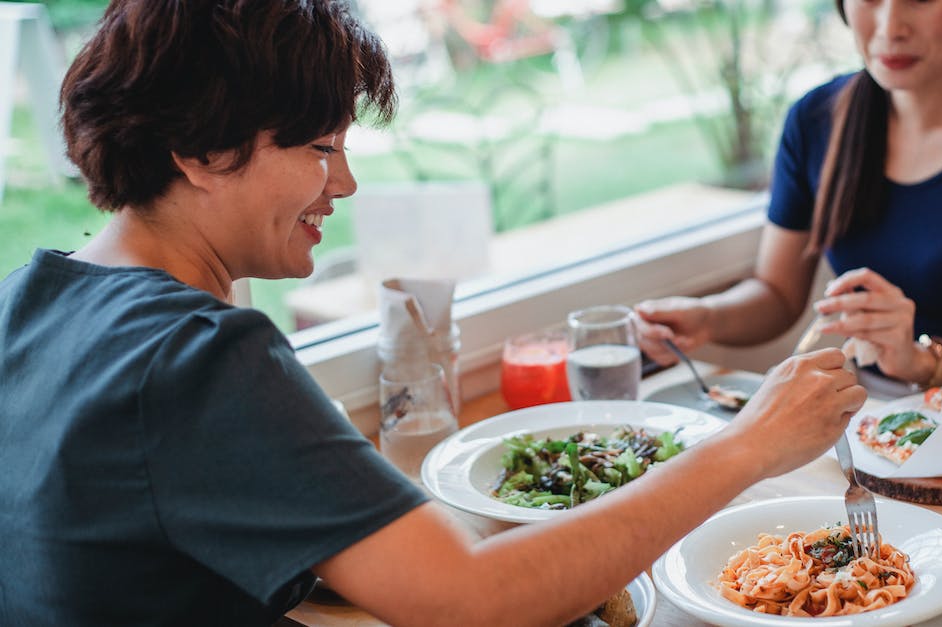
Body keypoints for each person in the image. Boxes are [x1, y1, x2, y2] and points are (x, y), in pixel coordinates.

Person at [0, 1, 866, 625]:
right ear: (197, 150)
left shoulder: (28, 300)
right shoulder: (200, 355)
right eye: (321, 148)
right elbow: (474, 601)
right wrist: (749, 443)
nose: (343, 183)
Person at [637, 0, 942, 399]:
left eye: (918, 0)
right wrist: (704, 318)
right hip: (862, 419)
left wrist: (925, 362)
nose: (890, 28)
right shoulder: (816, 121)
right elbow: (777, 294)